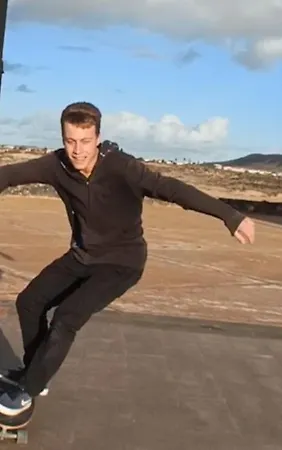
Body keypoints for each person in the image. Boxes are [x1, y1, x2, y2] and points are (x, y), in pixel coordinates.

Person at [0, 101, 255, 416]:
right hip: (82, 256)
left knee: (67, 317)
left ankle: (27, 389)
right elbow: (9, 175)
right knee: (29, 301)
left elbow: (173, 189)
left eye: (85, 141)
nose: (77, 151)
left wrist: (230, 216)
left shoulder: (123, 167)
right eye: (70, 141)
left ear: (98, 138)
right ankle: (36, 373)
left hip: (122, 262)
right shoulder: (57, 165)